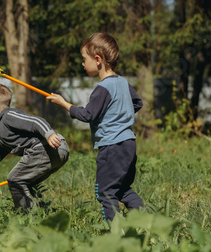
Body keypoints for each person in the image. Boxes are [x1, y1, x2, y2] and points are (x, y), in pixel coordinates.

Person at [46, 32, 145, 223]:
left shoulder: (103, 88)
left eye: (84, 59)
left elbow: (87, 115)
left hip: (112, 147)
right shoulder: (123, 82)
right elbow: (137, 103)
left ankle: (115, 232)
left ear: (97, 60)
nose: (83, 64)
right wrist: (119, 114)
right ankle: (148, 223)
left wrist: (64, 104)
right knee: (122, 189)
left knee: (106, 193)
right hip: (129, 144)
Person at [0, 82, 69, 212]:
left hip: (48, 147)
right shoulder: (0, 133)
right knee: (25, 183)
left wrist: (49, 134)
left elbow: (35, 121)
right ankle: (38, 214)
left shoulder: (8, 116)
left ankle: (26, 217)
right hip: (54, 151)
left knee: (14, 179)